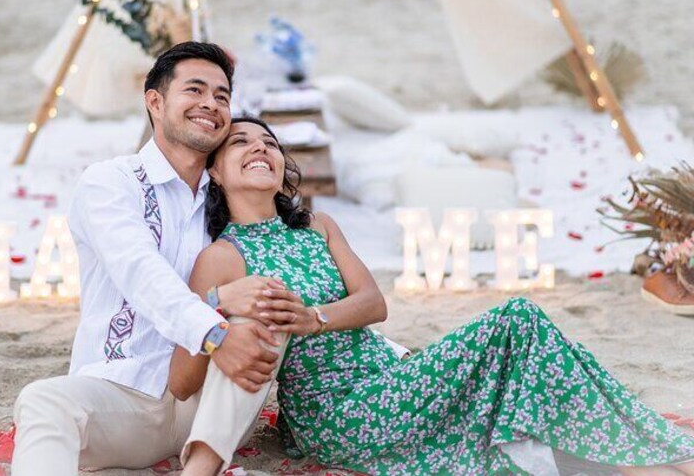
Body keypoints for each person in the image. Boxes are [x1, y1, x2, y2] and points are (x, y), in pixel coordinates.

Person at [169, 116, 694, 476]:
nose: (260, 148)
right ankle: (642, 453)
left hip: (390, 377)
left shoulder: (317, 226)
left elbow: (374, 303)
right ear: (213, 171)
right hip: (337, 413)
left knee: (532, 348)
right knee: (518, 318)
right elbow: (185, 376)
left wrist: (313, 317)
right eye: (240, 142)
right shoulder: (222, 256)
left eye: (269, 143)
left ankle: (636, 449)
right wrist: (218, 305)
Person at [11, 43, 310, 475]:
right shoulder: (110, 183)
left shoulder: (231, 194)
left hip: (209, 406)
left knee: (263, 300)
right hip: (121, 395)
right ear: (155, 101)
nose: (211, 104)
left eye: (222, 96)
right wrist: (213, 327)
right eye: (195, 90)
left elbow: (306, 270)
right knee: (43, 400)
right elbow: (139, 270)